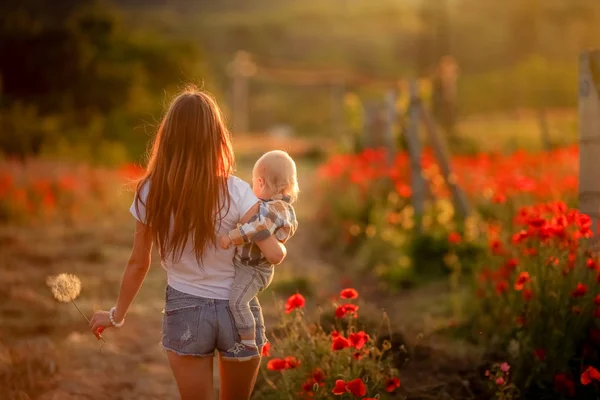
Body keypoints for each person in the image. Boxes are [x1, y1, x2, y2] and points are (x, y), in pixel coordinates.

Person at [89, 86, 287, 400]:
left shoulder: (150, 190)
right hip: (239, 311)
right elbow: (269, 248)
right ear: (217, 138)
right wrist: (279, 244)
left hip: (185, 309)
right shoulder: (237, 191)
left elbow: (139, 262)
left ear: (167, 137)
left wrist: (117, 315)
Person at [219, 150, 298, 355]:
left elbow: (258, 229)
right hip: (250, 266)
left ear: (261, 182)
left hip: (254, 268)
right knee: (247, 300)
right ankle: (252, 335)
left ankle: (247, 343)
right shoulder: (273, 206)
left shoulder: (275, 209)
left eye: (254, 182)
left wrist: (232, 237)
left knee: (237, 301)